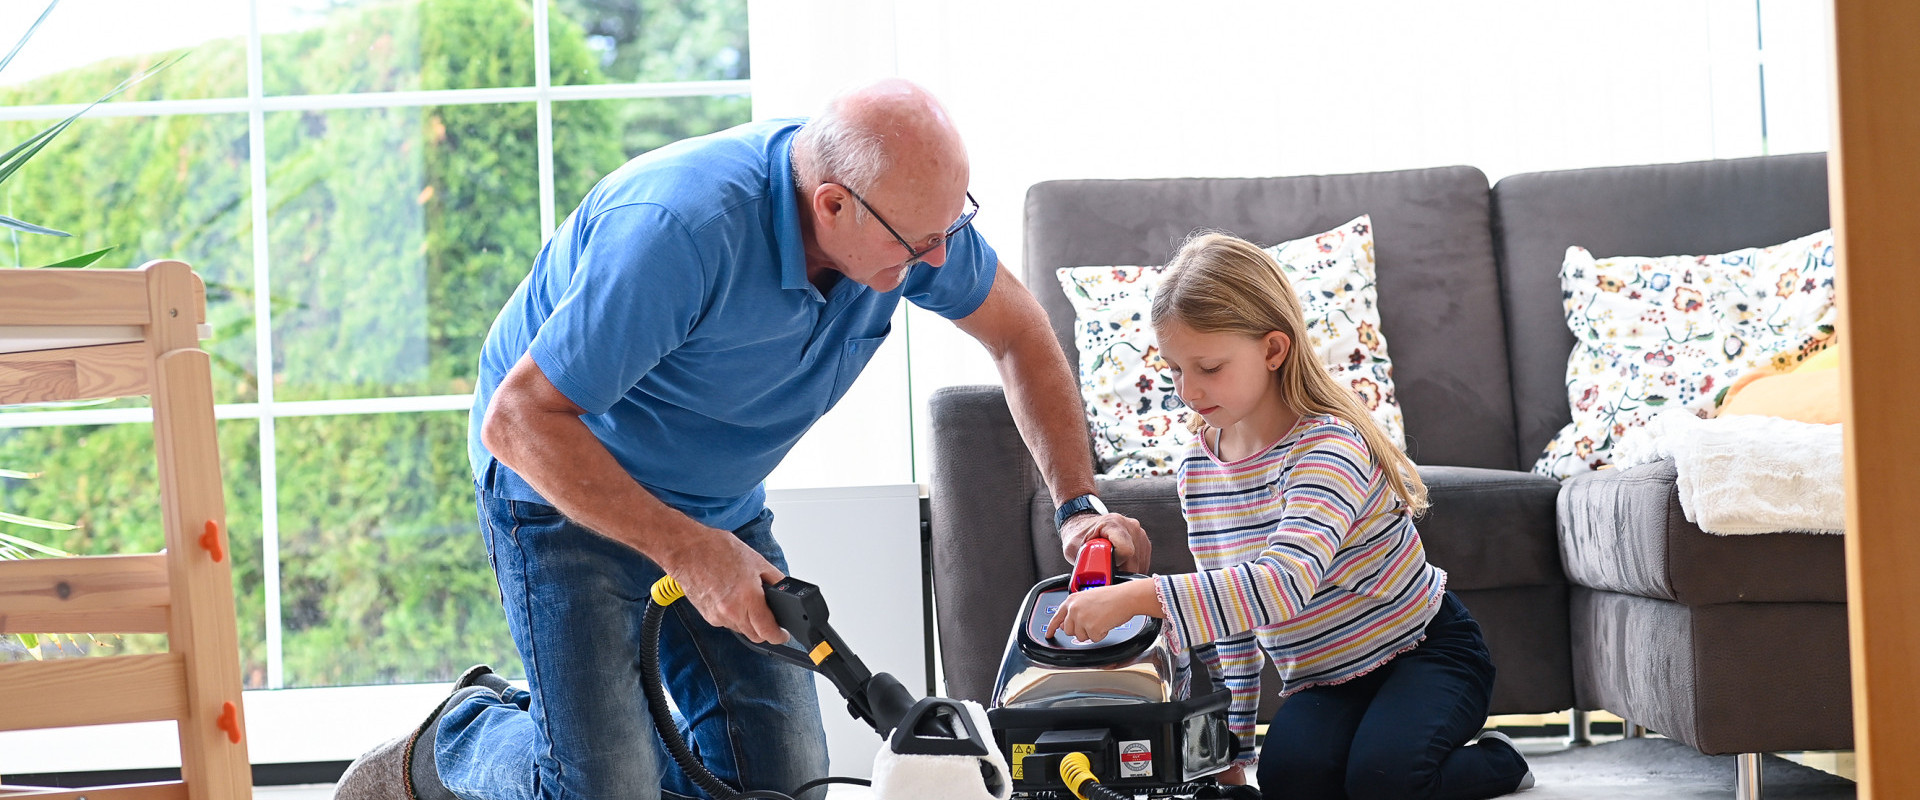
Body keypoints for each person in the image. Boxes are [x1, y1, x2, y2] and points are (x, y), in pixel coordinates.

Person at [334, 78, 1150, 800]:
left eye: (951, 228)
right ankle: (460, 737)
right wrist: (690, 553)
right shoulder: (679, 233)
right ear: (832, 204)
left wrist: (1078, 504)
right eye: (918, 244)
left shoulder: (904, 215)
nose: (941, 258)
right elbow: (519, 421)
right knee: (603, 790)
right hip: (562, 494)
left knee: (785, 782)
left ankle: (606, 738)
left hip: (718, 506)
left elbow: (1019, 335)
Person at [1045, 232, 1534, 800]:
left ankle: (1500, 761)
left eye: (1209, 367)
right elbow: (1230, 621)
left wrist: (1138, 596)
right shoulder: (1199, 471)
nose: (1189, 389)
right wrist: (1232, 747)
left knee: (1385, 782)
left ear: (1273, 350)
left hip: (1426, 651)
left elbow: (1280, 584)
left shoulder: (1327, 449)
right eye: (1175, 369)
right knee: (1291, 784)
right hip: (1325, 677)